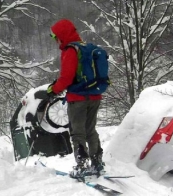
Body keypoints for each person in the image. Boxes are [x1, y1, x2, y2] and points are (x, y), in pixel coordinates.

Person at [47, 19, 104, 177]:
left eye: (55, 37)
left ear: (62, 35)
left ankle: (82, 165)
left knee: (77, 133)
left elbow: (66, 78)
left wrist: (53, 90)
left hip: (78, 98)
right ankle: (97, 162)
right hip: (95, 96)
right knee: (90, 130)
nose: (55, 41)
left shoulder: (70, 50)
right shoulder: (86, 48)